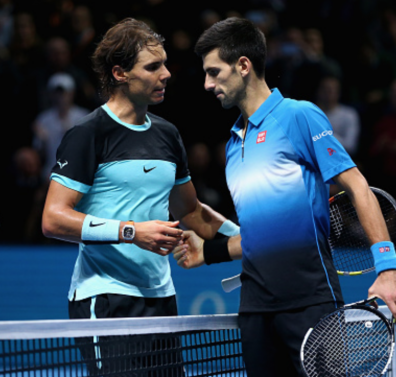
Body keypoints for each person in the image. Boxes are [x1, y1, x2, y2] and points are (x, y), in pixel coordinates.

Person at [173, 17, 396, 377]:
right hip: (255, 311)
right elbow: (261, 234)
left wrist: (388, 267)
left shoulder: (299, 116)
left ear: (243, 66)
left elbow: (357, 186)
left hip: (310, 304)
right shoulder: (233, 146)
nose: (207, 84)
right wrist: (207, 253)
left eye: (214, 72)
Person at [40, 18, 240, 376]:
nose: (165, 74)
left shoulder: (168, 135)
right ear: (120, 73)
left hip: (161, 298)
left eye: (164, 64)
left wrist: (248, 241)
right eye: (152, 67)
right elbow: (53, 219)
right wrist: (132, 231)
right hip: (105, 297)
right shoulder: (89, 134)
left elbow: (191, 212)